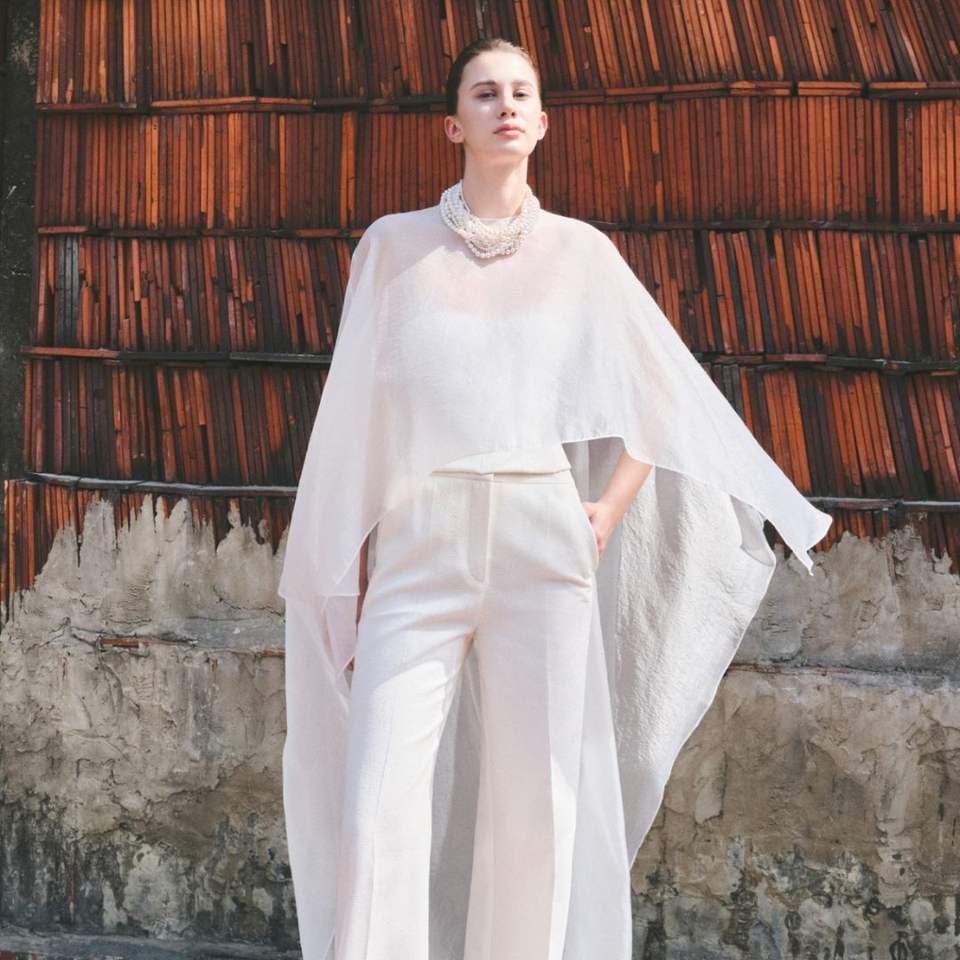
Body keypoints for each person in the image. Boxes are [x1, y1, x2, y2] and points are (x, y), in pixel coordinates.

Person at [278, 37, 833, 960]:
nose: (503, 106)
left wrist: (606, 510)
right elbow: (354, 420)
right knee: (376, 805)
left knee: (538, 809)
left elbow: (659, 392)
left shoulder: (581, 253)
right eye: (483, 93)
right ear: (452, 124)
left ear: (541, 122)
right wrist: (349, 568)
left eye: (519, 93)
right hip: (419, 539)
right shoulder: (392, 248)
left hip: (543, 539)